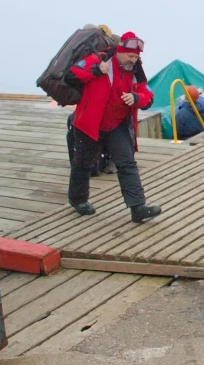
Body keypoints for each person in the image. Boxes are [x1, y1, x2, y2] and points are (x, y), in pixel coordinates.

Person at [65, 31, 162, 223]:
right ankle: (78, 200)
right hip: (89, 123)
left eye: (136, 57)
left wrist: (136, 98)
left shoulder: (136, 69)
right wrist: (94, 71)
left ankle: (138, 207)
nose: (133, 60)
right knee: (83, 164)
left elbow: (147, 95)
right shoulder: (100, 60)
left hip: (116, 124)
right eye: (130, 56)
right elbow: (70, 76)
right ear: (119, 51)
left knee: (127, 163)